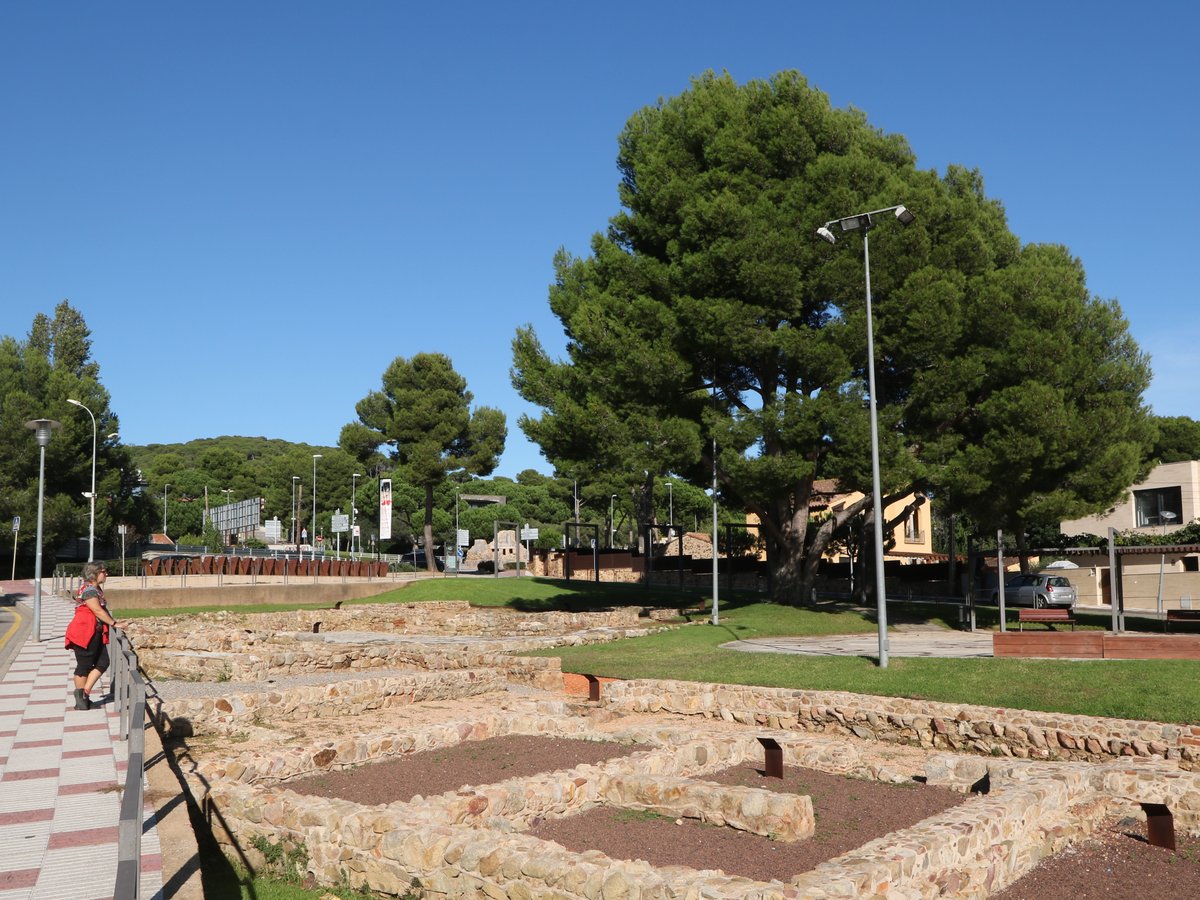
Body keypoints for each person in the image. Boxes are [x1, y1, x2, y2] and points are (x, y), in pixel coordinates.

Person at [64, 561, 119, 710]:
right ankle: (81, 701)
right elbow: (98, 611)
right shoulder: (89, 590)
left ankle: (84, 693)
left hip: (94, 632)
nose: (106, 574)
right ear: (95, 573)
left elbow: (102, 611)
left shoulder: (96, 589)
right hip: (84, 632)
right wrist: (114, 624)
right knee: (84, 666)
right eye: (104, 571)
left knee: (103, 662)